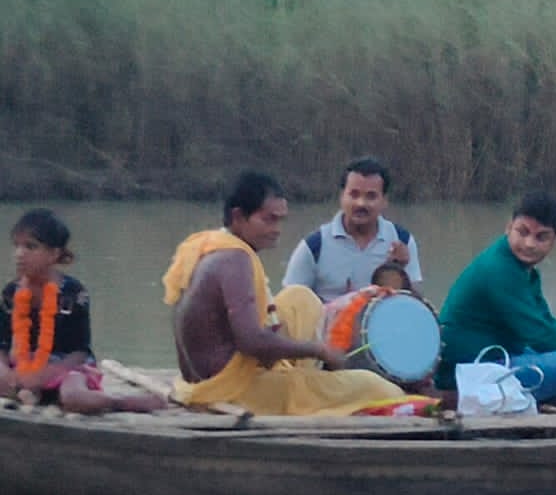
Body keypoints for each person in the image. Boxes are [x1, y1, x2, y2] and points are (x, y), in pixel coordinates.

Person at [164, 170, 420, 415]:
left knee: (300, 298)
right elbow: (252, 341)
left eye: (280, 220)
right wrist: (319, 350)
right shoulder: (235, 259)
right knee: (378, 388)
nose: (276, 229)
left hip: (210, 379)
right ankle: (307, 383)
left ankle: (305, 379)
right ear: (238, 217)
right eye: (268, 220)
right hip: (233, 391)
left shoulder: (210, 245)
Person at [436, 192, 556, 405]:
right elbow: (543, 337)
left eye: (541, 237)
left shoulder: (524, 270)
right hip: (468, 376)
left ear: (554, 240)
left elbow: (546, 325)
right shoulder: (499, 269)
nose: (529, 244)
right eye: (522, 232)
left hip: (496, 357)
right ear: (508, 228)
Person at [0, 210, 166, 414]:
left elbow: (79, 352)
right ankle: (28, 393)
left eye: (30, 247)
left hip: (66, 368)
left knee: (74, 397)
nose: (19, 254)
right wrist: (6, 373)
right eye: (16, 246)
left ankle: (120, 403)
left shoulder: (73, 293)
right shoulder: (11, 293)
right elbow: (2, 345)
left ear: (54, 254)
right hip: (24, 368)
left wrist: (45, 375)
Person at [283, 157, 424, 302]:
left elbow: (417, 306)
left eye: (371, 196)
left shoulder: (402, 240)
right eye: (354, 194)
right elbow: (290, 305)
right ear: (342, 196)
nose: (361, 203)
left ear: (384, 201)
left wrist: (398, 272)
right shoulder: (314, 246)